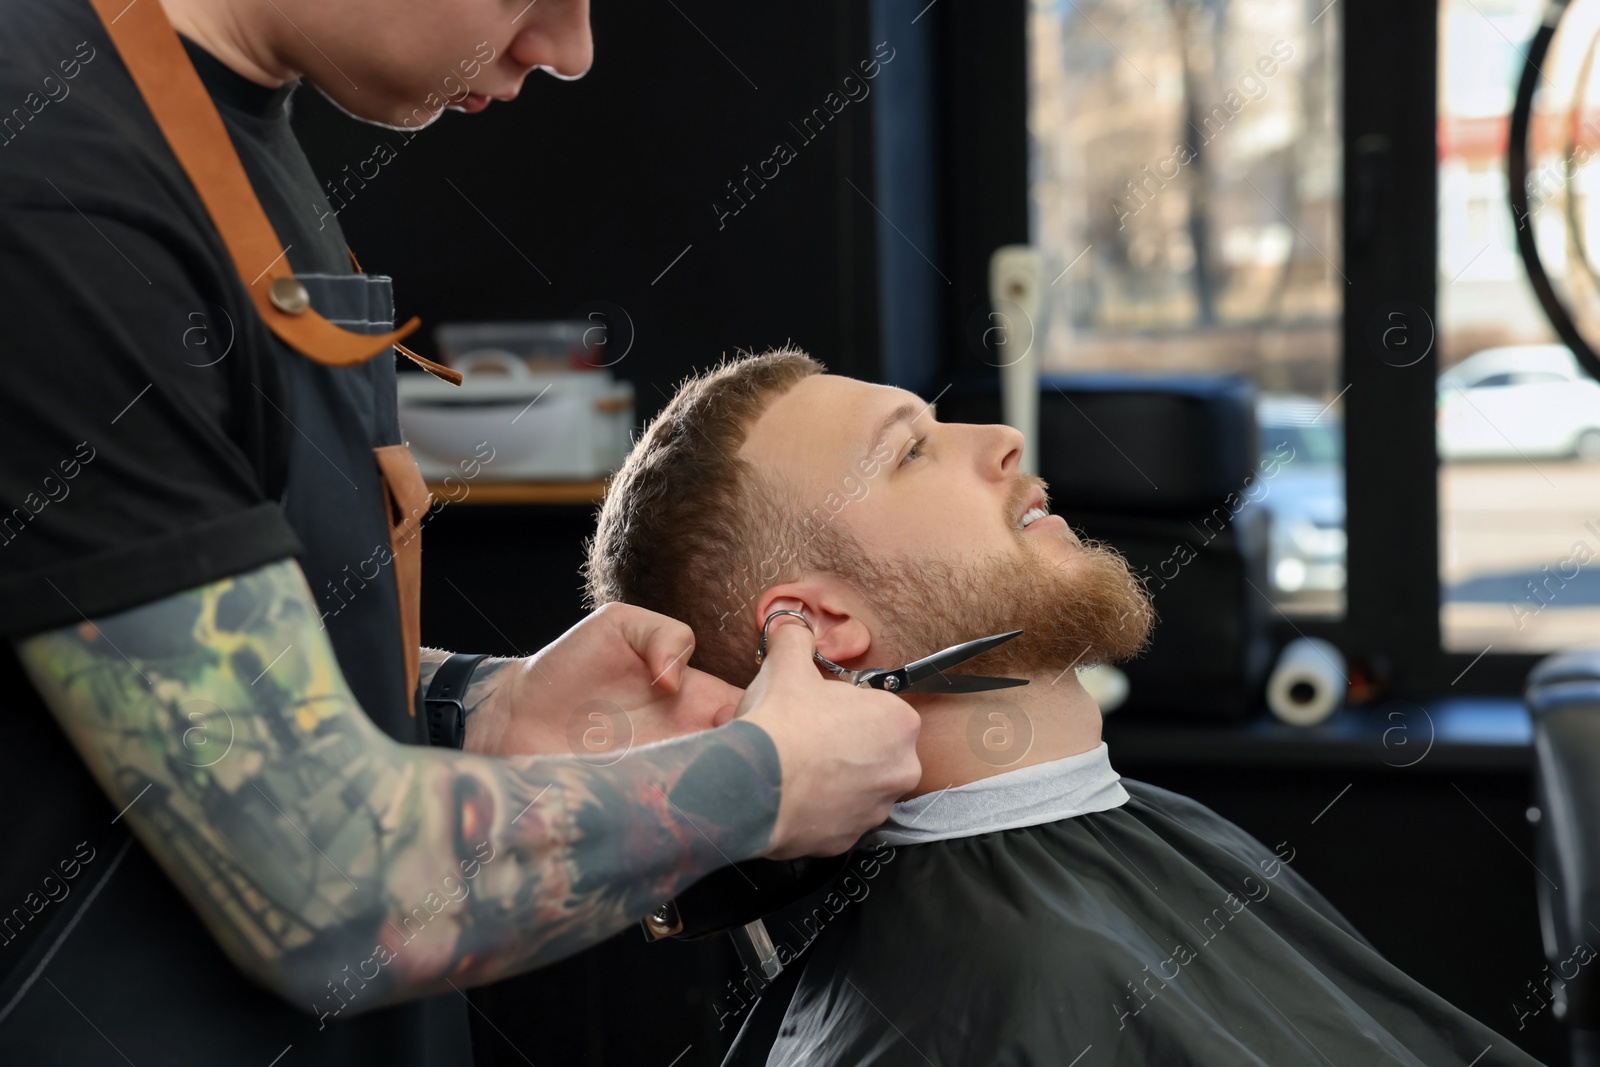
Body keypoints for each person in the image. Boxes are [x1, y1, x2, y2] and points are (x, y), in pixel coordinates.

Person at [0, 2, 920, 1064]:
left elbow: (166, 665)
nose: (566, 51)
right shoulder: (57, 185)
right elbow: (327, 882)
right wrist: (763, 782)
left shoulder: (231, 126)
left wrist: (479, 707)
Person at [584, 348, 1546, 1066]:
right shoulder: (988, 989)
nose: (1001, 442)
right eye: (910, 451)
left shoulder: (1138, 836)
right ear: (816, 623)